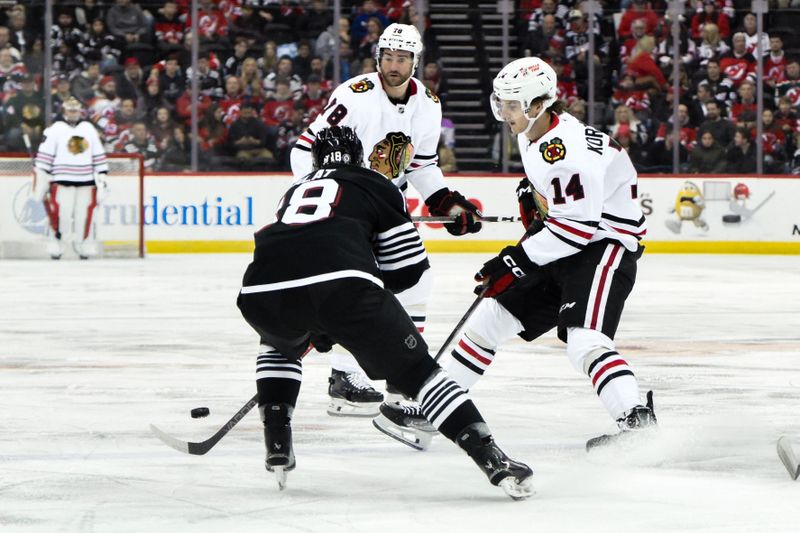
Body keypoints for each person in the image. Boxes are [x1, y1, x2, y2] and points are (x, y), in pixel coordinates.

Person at [236, 125, 533, 499]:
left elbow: (300, 256)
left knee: (278, 343)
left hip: (261, 288)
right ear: (359, 157)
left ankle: (277, 440)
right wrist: (346, 306)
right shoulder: (376, 184)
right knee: (420, 375)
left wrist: (322, 318)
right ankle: (491, 457)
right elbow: (407, 272)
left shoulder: (294, 189)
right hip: (343, 290)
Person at [377, 57, 656, 452]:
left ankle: (637, 423)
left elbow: (577, 229)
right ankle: (437, 411)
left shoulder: (566, 154)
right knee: (489, 319)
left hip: (602, 246)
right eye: (501, 102)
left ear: (538, 105)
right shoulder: (534, 133)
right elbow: (558, 212)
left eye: (512, 104)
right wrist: (533, 196)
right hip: (566, 241)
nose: (503, 112)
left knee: (584, 339)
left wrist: (516, 260)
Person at [290, 23, 482, 417]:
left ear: (416, 60)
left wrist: (447, 202)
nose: (394, 66)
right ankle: (347, 376)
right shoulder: (355, 95)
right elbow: (305, 148)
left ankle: (398, 376)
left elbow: (422, 166)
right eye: (389, 57)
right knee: (356, 290)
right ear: (378, 58)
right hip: (347, 201)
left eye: (403, 58)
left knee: (415, 281)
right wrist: (322, 193)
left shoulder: (428, 103)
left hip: (389, 205)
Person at [33, 97, 109, 260]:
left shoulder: (88, 129)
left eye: (75, 110)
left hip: (86, 180)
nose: (73, 113)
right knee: (61, 214)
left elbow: (98, 153)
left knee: (84, 215)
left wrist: (102, 176)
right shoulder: (55, 129)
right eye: (70, 110)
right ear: (64, 111)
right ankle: (56, 243)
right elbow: (45, 156)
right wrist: (42, 177)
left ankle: (83, 244)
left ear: (80, 111)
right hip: (62, 179)